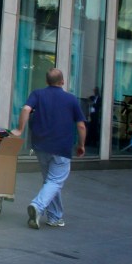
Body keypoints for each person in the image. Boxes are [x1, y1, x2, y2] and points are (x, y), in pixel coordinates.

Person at [12, 67, 86, 230]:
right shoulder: (72, 99)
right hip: (61, 148)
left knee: (50, 182)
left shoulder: (38, 94)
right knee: (54, 181)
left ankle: (55, 217)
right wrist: (81, 145)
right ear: (63, 82)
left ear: (47, 81)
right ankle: (37, 206)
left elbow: (26, 109)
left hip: (40, 146)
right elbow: (80, 125)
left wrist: (19, 129)